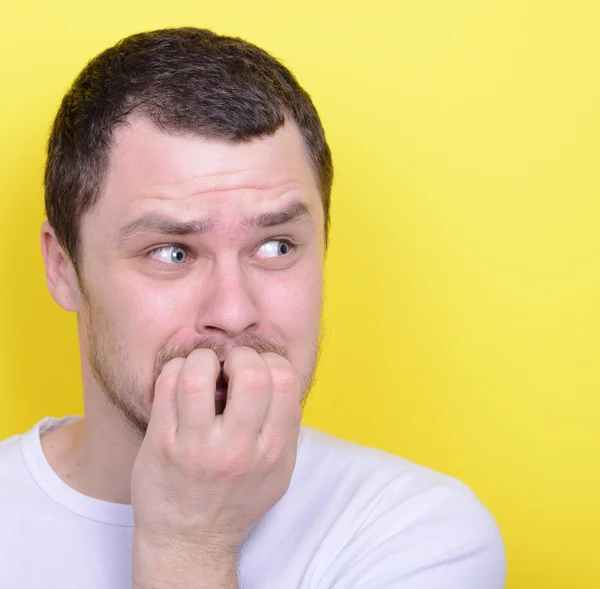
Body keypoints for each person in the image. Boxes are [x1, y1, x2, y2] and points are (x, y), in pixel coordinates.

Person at [0, 27, 506, 588]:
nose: (234, 312)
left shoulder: (420, 534)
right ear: (63, 268)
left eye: (276, 246)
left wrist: (188, 544)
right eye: (172, 252)